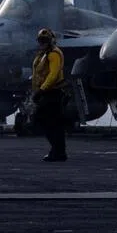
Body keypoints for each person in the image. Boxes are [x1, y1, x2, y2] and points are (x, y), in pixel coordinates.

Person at [31, 27, 67, 161]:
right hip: (46, 92)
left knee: (47, 121)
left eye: (45, 40)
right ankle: (58, 151)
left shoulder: (53, 54)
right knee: (51, 123)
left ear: (50, 40)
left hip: (52, 93)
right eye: (40, 40)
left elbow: (53, 74)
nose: (42, 43)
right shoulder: (43, 54)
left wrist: (41, 90)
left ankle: (58, 151)